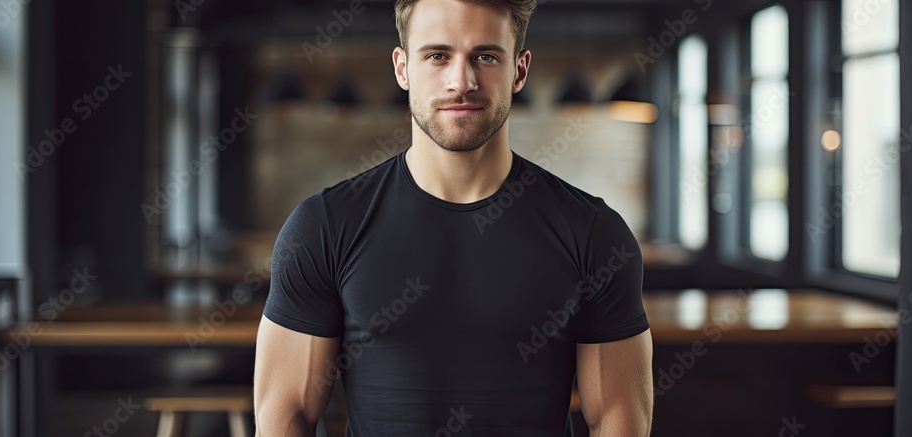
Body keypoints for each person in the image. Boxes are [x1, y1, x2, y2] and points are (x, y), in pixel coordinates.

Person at [253, 0, 653, 435]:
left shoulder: (592, 232)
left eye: (485, 56)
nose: (461, 81)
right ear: (402, 67)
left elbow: (619, 419)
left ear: (519, 70)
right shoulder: (324, 226)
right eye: (437, 55)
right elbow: (285, 414)